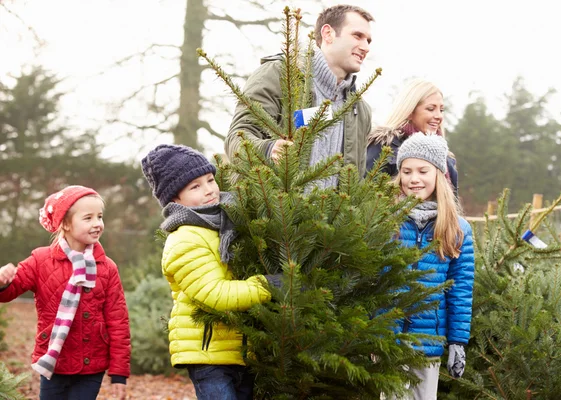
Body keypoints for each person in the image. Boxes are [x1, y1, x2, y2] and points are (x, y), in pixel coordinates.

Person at [141, 144, 279, 400]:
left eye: (210, 180)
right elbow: (214, 294)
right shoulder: (185, 238)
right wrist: (267, 285)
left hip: (240, 349)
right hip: (208, 353)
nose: (209, 190)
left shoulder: (226, 222)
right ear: (174, 199)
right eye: (195, 186)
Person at [0, 185, 130, 400]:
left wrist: (119, 373)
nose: (97, 223)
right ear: (66, 224)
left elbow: (118, 322)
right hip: (55, 361)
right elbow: (8, 293)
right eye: (88, 218)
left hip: (92, 364)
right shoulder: (40, 261)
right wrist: (3, 282)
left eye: (99, 216)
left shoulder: (107, 268)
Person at [225, 4, 374, 188]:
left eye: (368, 40)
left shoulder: (360, 111)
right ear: (328, 34)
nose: (365, 47)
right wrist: (268, 150)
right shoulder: (279, 75)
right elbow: (237, 137)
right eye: (357, 36)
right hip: (273, 214)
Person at [391, 133, 474, 399]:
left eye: (422, 170)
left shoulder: (458, 229)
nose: (414, 178)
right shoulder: (387, 221)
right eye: (407, 171)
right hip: (389, 344)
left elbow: (460, 291)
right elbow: (373, 281)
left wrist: (458, 342)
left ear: (439, 173)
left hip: (428, 346)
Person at [366, 78, 459, 196]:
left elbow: (453, 205)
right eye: (431, 109)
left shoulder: (446, 159)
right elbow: (368, 197)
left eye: (441, 110)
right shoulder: (383, 147)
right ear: (410, 111)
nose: (439, 116)